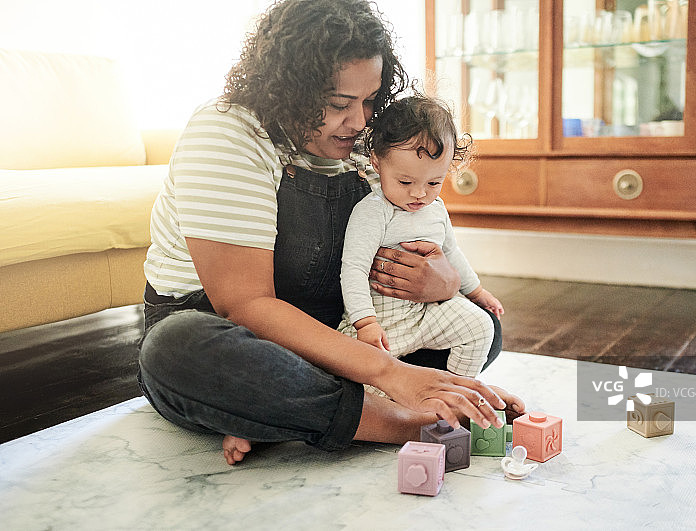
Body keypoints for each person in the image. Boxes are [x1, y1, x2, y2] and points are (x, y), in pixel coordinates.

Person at [137, 0, 525, 466]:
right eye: (339, 104)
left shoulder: (359, 141)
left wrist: (443, 284)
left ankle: (289, 412)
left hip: (332, 326)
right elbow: (244, 306)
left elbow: (411, 230)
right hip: (235, 329)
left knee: (485, 326)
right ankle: (406, 421)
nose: (359, 121)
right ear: (288, 88)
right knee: (175, 349)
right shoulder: (227, 132)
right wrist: (392, 373)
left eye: (369, 100)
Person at [338, 94, 504, 384]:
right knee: (367, 384)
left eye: (433, 182)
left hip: (425, 316)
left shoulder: (436, 209)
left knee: (481, 326)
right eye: (405, 182)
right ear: (377, 162)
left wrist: (477, 292)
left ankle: (454, 391)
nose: (419, 194)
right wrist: (365, 323)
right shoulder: (373, 211)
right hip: (383, 324)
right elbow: (353, 269)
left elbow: (452, 253)